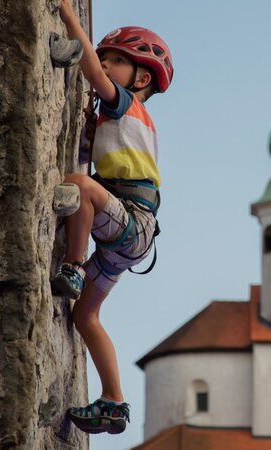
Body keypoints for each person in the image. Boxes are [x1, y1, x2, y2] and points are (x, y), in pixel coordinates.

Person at [53, 0, 174, 435]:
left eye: (116, 60)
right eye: (104, 56)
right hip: (128, 240)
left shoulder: (126, 104)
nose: (104, 63)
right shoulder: (113, 120)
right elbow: (87, 154)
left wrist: (70, 18)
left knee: (79, 187)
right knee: (85, 318)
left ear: (141, 78)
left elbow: (95, 77)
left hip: (132, 221)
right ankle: (114, 402)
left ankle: (72, 266)